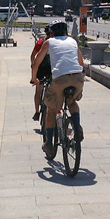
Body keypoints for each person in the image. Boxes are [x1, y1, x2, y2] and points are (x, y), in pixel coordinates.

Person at [31, 19, 85, 157]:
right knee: (72, 102)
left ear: (52, 32)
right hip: (78, 77)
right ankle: (77, 127)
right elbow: (81, 62)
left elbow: (37, 61)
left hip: (60, 78)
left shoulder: (49, 42)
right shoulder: (73, 41)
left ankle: (49, 143)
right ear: (66, 31)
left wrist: (34, 78)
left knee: (51, 109)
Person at [30, 26, 51, 120]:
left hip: (41, 68)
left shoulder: (41, 42)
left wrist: (33, 66)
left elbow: (33, 55)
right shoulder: (58, 42)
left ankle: (37, 112)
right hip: (52, 69)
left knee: (38, 91)